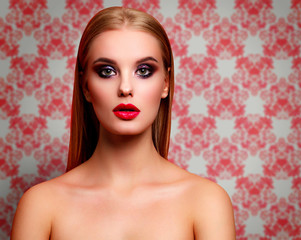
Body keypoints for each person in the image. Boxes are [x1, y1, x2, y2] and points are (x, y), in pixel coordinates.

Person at [11, 7, 235, 239]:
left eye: (144, 70)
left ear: (166, 83)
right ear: (85, 85)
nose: (125, 88)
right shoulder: (41, 205)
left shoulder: (207, 201)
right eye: (107, 71)